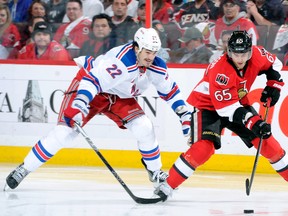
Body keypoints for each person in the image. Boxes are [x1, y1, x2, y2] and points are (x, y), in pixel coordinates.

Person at [5, 27, 192, 191]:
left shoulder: (156, 66)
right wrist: (80, 103)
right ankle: (24, 168)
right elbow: (93, 81)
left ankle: (155, 172)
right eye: (147, 52)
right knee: (64, 133)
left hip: (118, 96)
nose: (150, 57)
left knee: (144, 126)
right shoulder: (122, 62)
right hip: (90, 88)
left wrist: (183, 113)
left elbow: (170, 92)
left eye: (154, 52)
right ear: (136, 47)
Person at [153, 30, 286, 200]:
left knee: (266, 141)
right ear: (228, 52)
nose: (240, 59)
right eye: (235, 54)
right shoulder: (220, 71)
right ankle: (166, 185)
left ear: (250, 51)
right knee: (204, 148)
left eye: (244, 54)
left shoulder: (258, 55)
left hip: (236, 102)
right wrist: (254, 122)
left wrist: (274, 85)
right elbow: (226, 110)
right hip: (208, 106)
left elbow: (275, 64)